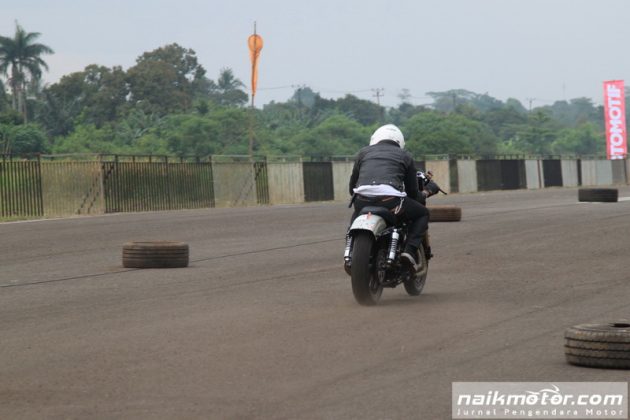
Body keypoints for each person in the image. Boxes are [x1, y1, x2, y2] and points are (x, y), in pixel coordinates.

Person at [348, 124, 430, 270]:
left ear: (374, 139)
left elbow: (352, 186)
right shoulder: (405, 155)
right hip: (390, 201)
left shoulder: (363, 153)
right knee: (422, 213)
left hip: (361, 200)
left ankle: (350, 250)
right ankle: (409, 251)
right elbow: (412, 192)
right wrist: (424, 194)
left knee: (356, 214)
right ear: (400, 142)